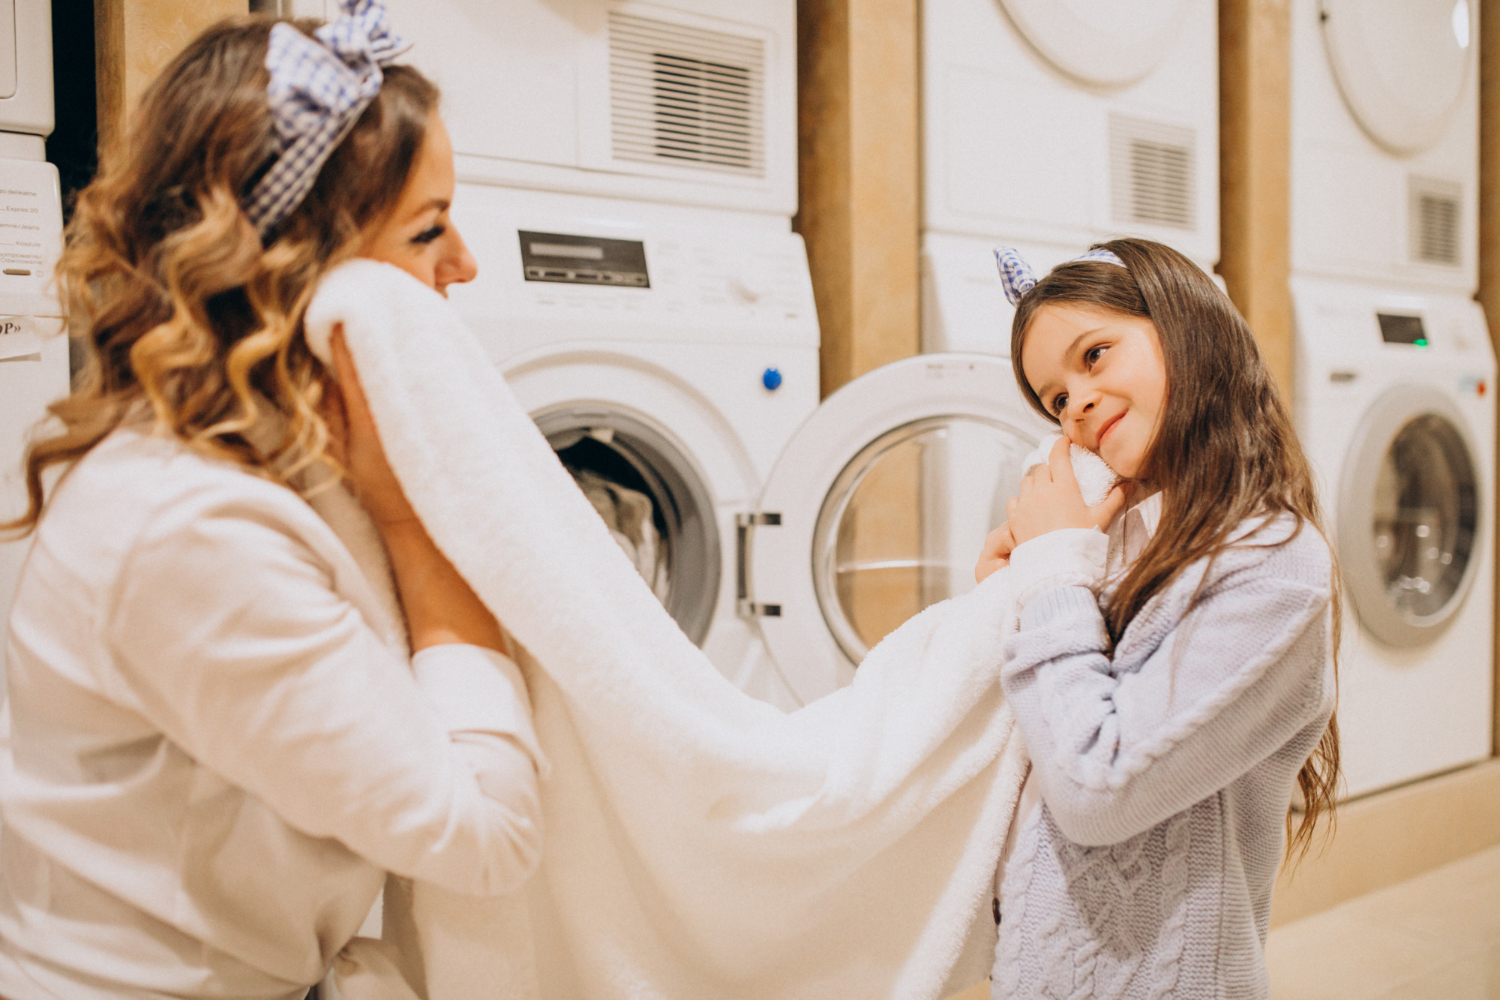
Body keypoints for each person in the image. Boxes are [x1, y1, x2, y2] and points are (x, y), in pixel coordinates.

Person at [0, 5, 544, 998]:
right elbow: (488, 834)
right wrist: (413, 524)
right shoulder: (190, 528)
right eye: (429, 230)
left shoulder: (265, 460)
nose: (464, 263)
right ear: (295, 275)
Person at [976, 238, 1340, 999]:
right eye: (1053, 398)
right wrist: (1005, 592)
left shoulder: (1275, 564)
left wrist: (1051, 577)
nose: (1074, 403)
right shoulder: (1131, 538)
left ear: (1184, 326)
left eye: (1095, 355)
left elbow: (1098, 787)